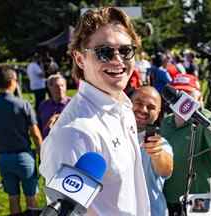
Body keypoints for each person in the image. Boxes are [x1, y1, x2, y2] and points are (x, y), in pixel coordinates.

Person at [39, 7, 151, 215]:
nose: (118, 60)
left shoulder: (124, 107)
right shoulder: (73, 134)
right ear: (80, 59)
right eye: (104, 52)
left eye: (126, 50)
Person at [161, 74, 211, 215]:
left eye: (188, 94)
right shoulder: (166, 122)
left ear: (199, 99)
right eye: (178, 94)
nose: (182, 100)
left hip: (198, 197)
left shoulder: (206, 118)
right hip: (169, 197)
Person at [0, 68, 43, 216]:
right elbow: (35, 134)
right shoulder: (23, 104)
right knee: (31, 199)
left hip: (4, 158)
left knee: (13, 198)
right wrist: (42, 155)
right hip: (24, 157)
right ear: (12, 81)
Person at [131, 86, 173, 216]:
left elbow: (166, 170)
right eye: (138, 103)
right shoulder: (112, 135)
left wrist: (157, 153)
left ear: (158, 112)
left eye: (151, 107)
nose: (143, 110)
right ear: (128, 103)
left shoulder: (160, 144)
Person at [38, 74, 71, 138]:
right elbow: (39, 127)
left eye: (62, 85)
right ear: (49, 88)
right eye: (56, 86)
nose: (60, 88)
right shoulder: (43, 105)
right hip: (48, 144)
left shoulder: (72, 104)